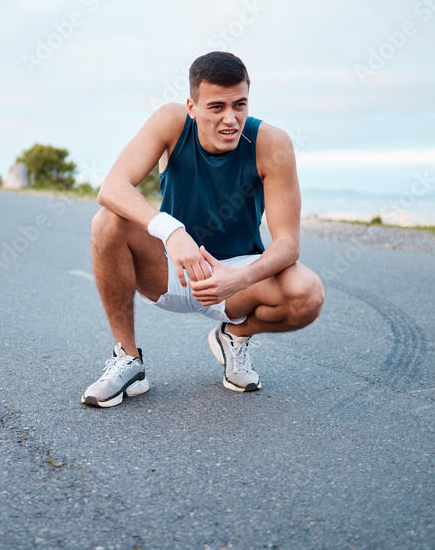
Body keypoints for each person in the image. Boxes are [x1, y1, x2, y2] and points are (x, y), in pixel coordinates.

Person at [82, 51, 325, 408]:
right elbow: (113, 187)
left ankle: (235, 336)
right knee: (106, 222)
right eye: (216, 107)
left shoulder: (272, 143)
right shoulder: (171, 121)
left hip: (236, 277)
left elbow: (288, 243)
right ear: (192, 106)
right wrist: (171, 232)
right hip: (170, 266)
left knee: (308, 293)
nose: (231, 119)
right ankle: (128, 361)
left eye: (239, 104)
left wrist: (239, 279)